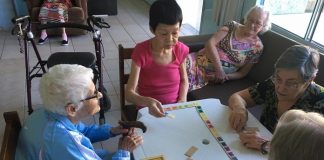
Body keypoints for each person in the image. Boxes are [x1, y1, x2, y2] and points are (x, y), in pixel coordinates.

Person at [15, 64, 143, 159]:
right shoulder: (64, 142)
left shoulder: (50, 112)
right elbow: (71, 143)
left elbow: (83, 132)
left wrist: (111, 131)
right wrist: (124, 151)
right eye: (93, 94)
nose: (100, 95)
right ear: (72, 108)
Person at [228, 45, 324, 152]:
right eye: (278, 78)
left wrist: (268, 145)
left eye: (291, 83)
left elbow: (314, 152)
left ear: (310, 80)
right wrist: (239, 108)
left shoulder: (320, 102)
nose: (280, 88)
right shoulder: (272, 83)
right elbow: (238, 97)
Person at [125, 0, 189, 117]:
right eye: (164, 34)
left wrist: (182, 102)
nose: (170, 39)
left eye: (175, 33)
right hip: (147, 111)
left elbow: (184, 81)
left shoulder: (180, 50)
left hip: (174, 109)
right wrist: (147, 102)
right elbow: (129, 94)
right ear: (152, 29)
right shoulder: (141, 51)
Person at [186, 5, 271, 91]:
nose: (252, 25)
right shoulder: (232, 26)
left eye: (258, 23)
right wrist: (219, 69)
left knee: (180, 86)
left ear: (263, 27)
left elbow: (242, 73)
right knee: (174, 71)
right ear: (247, 18)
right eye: (251, 20)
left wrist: (224, 77)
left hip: (210, 76)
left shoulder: (257, 47)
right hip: (196, 61)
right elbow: (210, 44)